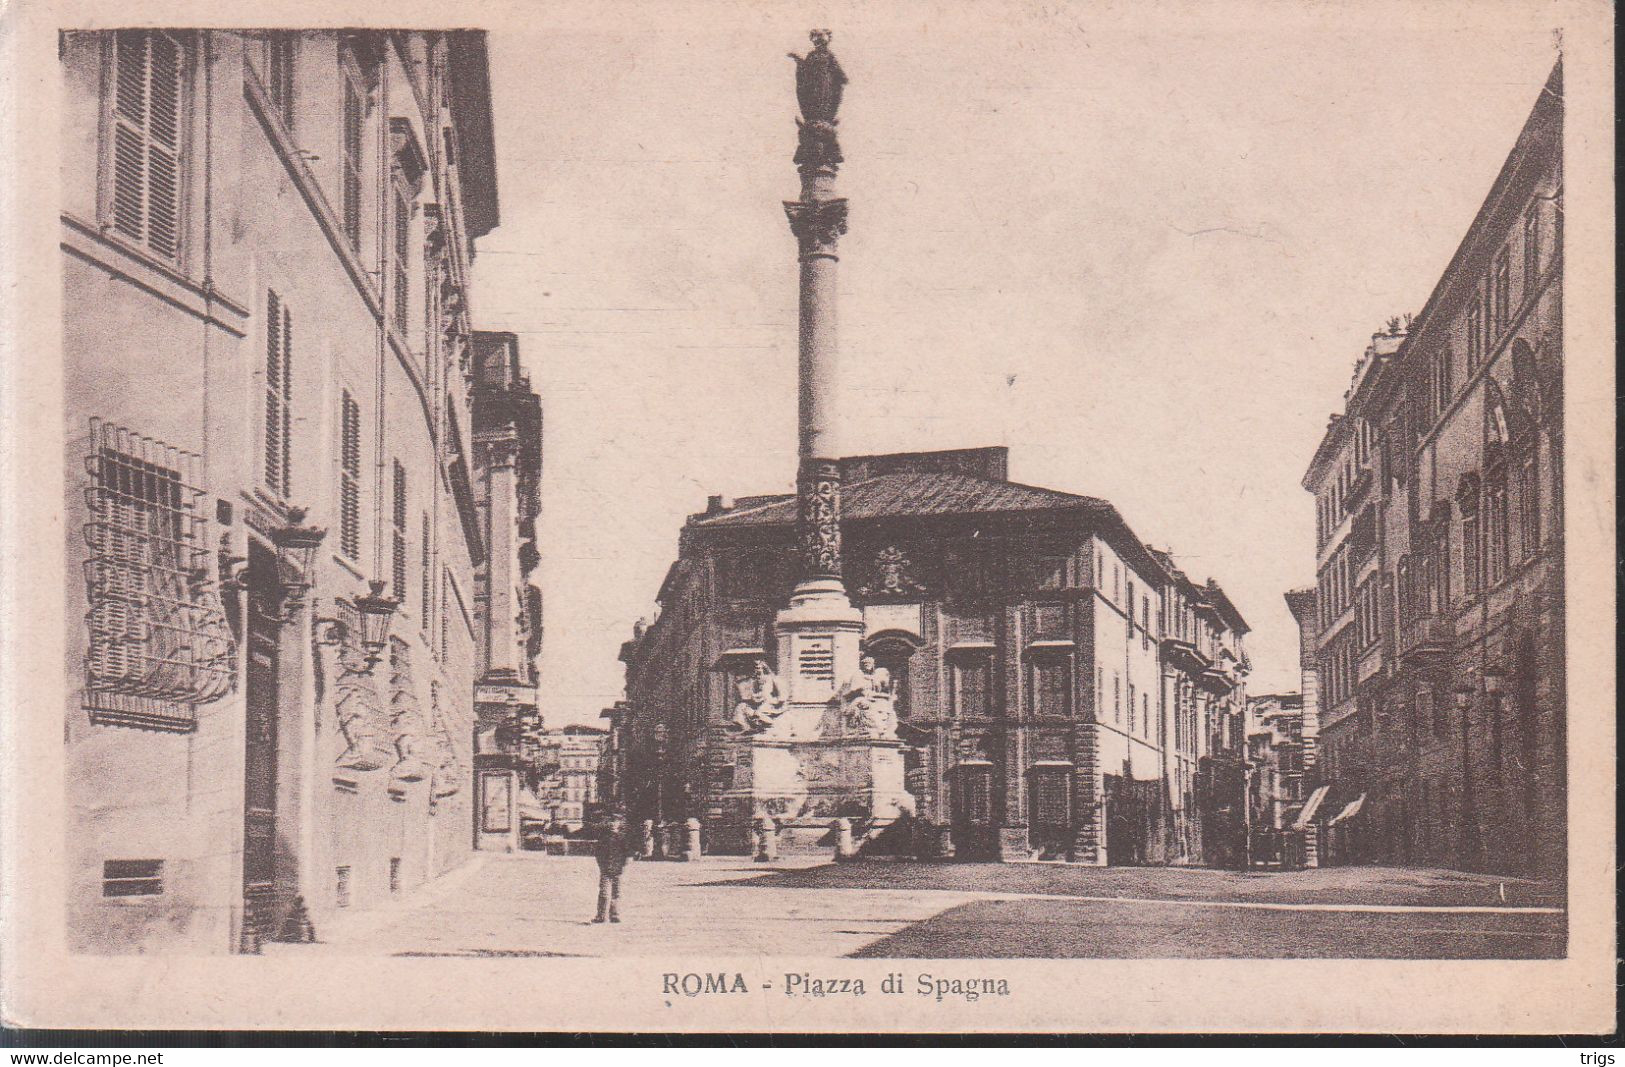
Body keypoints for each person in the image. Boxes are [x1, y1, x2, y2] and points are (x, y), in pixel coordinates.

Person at [593, 811, 634, 923]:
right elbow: (598, 853)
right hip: (605, 869)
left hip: (618, 869)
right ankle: (601, 916)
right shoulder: (604, 838)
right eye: (611, 822)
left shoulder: (622, 838)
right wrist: (601, 865)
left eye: (615, 822)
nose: (612, 824)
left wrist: (624, 866)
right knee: (604, 892)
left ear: (619, 824)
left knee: (617, 893)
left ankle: (615, 915)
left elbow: (629, 854)